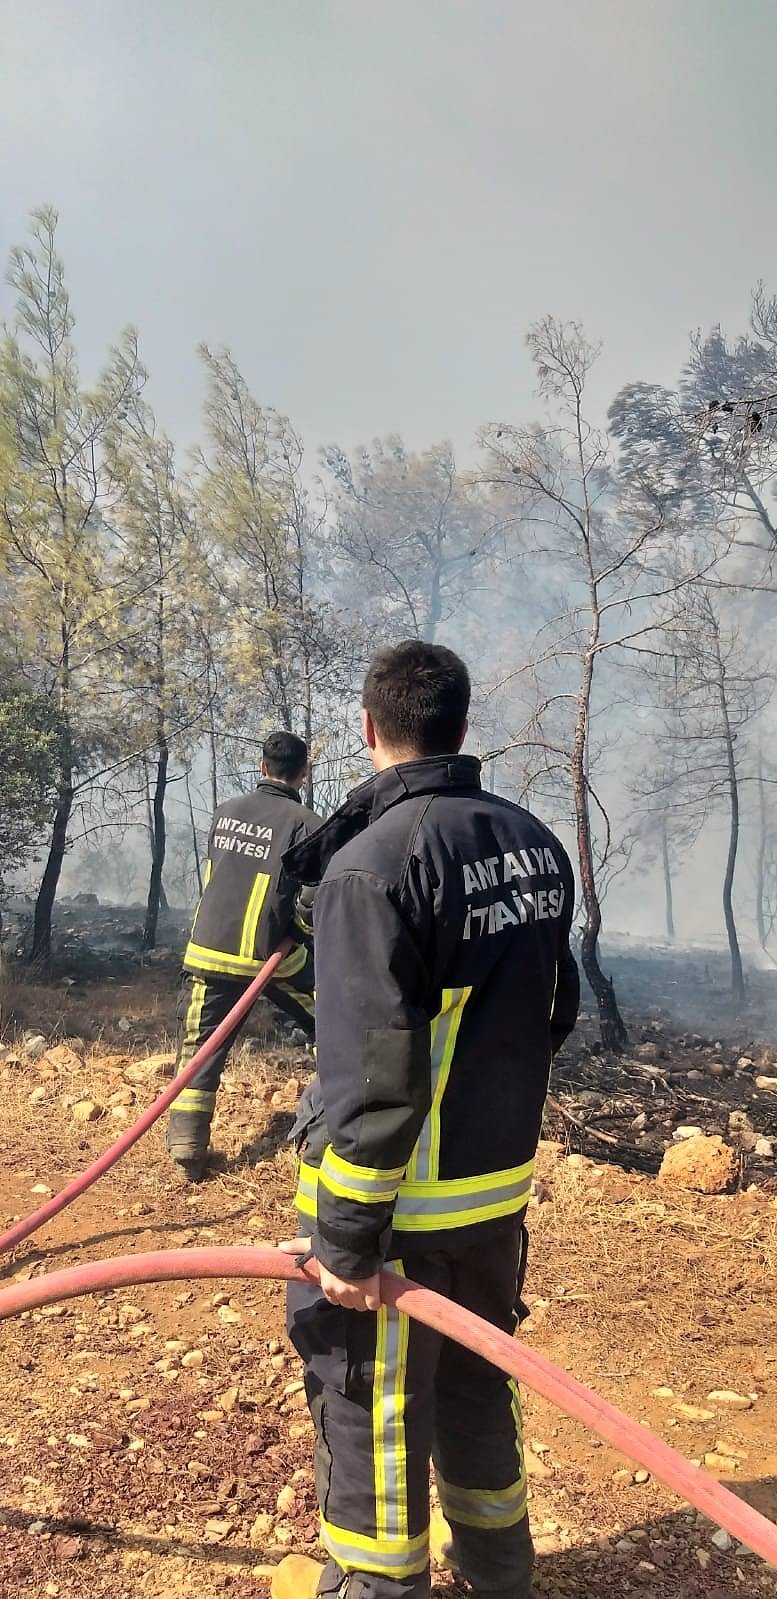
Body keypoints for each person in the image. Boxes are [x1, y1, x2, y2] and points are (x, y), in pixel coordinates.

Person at [275, 641, 580, 1599]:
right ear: (460, 725)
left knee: (368, 1396)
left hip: (403, 1213)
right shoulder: (533, 842)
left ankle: (376, 1587)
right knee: (476, 1378)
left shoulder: (370, 868)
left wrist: (347, 1239)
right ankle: (499, 1574)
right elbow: (553, 1006)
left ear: (369, 727)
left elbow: (376, 1075)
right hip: (495, 1199)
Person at [166, 730, 319, 1183]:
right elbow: (312, 897)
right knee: (336, 1022)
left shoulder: (226, 812)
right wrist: (300, 933)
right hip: (270, 958)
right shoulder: (306, 824)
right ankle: (339, 1123)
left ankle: (187, 1148)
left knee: (199, 1048)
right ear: (304, 771)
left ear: (261, 766)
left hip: (209, 951)